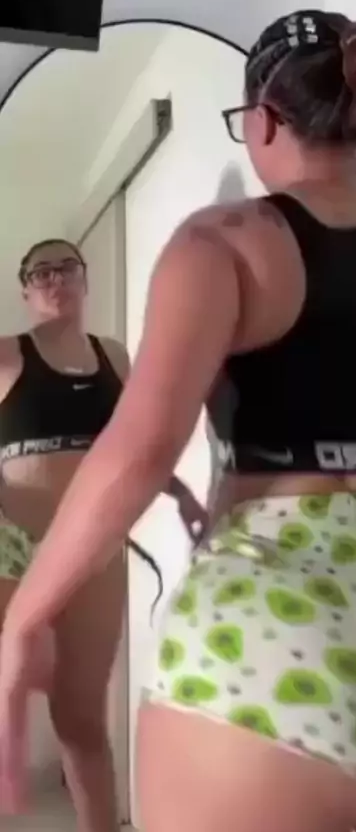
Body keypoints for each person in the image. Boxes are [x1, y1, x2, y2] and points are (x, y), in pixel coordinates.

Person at [0, 8, 356, 832]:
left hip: (271, 612)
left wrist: (25, 616)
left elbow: (141, 449)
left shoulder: (222, 242)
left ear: (263, 120)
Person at [0, 238, 205, 832]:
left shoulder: (113, 355)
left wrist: (179, 492)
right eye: (40, 272)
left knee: (81, 718)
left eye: (65, 267)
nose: (54, 279)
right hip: (14, 549)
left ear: (84, 280)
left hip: (93, 553)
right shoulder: (8, 355)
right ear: (26, 291)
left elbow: (137, 442)